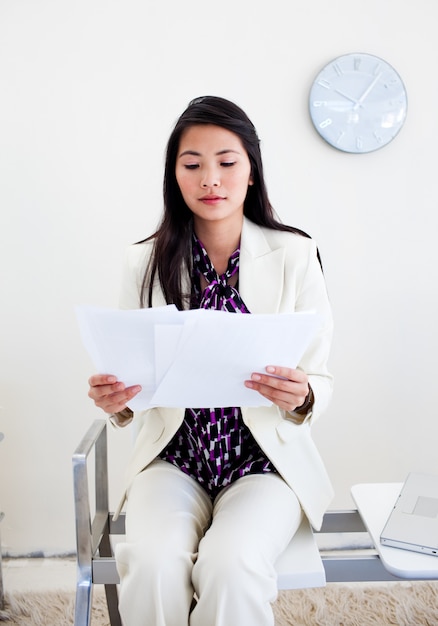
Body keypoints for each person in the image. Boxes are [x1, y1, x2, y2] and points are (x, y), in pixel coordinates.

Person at [88, 95, 334, 626]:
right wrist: (117, 402)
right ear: (174, 175)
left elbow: (320, 377)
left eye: (226, 162)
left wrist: (303, 395)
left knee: (232, 566)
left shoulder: (295, 254)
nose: (210, 179)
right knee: (151, 565)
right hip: (173, 458)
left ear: (251, 171)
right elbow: (131, 387)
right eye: (192, 164)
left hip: (263, 463)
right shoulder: (143, 260)